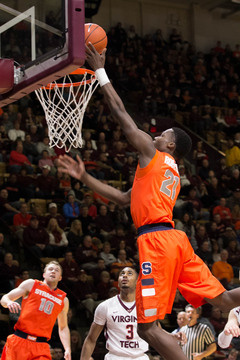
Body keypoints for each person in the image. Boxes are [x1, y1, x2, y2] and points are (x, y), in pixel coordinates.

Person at [58, 44, 240, 360]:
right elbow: (124, 198)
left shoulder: (153, 156)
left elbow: (121, 114)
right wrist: (85, 179)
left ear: (169, 144)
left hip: (156, 242)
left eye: (161, 134)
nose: (153, 135)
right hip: (174, 239)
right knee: (223, 300)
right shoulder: (168, 172)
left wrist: (100, 70)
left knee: (149, 329)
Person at [80, 266, 186, 360]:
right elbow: (91, 339)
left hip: (140, 356)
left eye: (129, 273)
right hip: (115, 357)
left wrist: (172, 336)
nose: (125, 276)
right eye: (122, 274)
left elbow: (155, 329)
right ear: (118, 280)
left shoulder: (147, 307)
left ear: (137, 281)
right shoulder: (104, 307)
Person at [0, 261, 71, 360]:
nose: (53, 271)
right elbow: (4, 298)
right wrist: (9, 302)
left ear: (60, 278)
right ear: (44, 274)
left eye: (57, 270)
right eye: (50, 269)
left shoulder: (63, 299)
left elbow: (63, 327)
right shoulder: (31, 284)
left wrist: (67, 348)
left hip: (41, 346)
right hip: (20, 340)